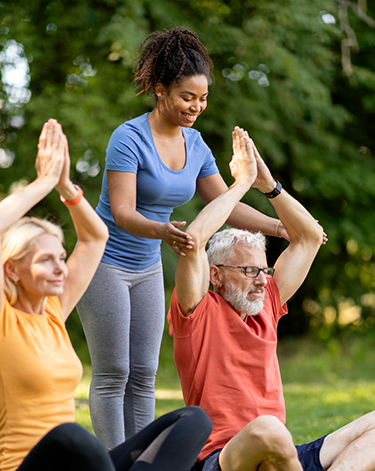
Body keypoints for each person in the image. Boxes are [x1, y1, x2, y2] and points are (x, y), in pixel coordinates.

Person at [0, 118, 211, 471]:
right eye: (46, 259)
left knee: (193, 420)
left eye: (60, 258)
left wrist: (68, 189)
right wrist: (44, 182)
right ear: (11, 270)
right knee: (70, 436)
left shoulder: (52, 313)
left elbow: (95, 237)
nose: (60, 267)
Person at [167, 127, 375, 471]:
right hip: (224, 465)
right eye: (249, 272)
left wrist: (269, 186)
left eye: (264, 271)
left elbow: (311, 236)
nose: (262, 281)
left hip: (281, 452)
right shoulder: (197, 311)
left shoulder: (266, 303)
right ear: (216, 274)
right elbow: (195, 238)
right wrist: (241, 182)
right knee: (267, 429)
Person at [78, 27, 289, 449]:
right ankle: (113, 469)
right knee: (113, 371)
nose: (196, 107)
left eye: (203, 98)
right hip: (104, 261)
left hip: (149, 264)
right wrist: (162, 230)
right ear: (160, 91)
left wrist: (276, 226)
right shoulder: (129, 138)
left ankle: (137, 467)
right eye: (187, 97)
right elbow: (121, 211)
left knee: (143, 373)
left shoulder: (196, 145)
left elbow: (226, 203)